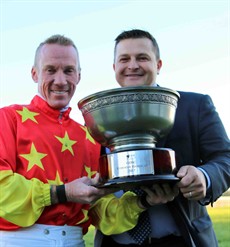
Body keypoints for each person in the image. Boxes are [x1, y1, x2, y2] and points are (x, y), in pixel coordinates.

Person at [89, 29, 230, 247]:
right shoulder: (97, 117)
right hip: (114, 242)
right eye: (124, 59)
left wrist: (204, 176)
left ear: (159, 64)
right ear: (114, 67)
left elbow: (225, 158)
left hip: (181, 240)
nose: (133, 65)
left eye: (142, 58)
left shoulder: (194, 106)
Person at [0, 34, 113, 247]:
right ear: (35, 74)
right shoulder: (8, 118)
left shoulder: (91, 136)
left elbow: (101, 212)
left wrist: (144, 201)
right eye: (50, 70)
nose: (60, 81)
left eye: (68, 70)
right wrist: (64, 192)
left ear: (78, 76)